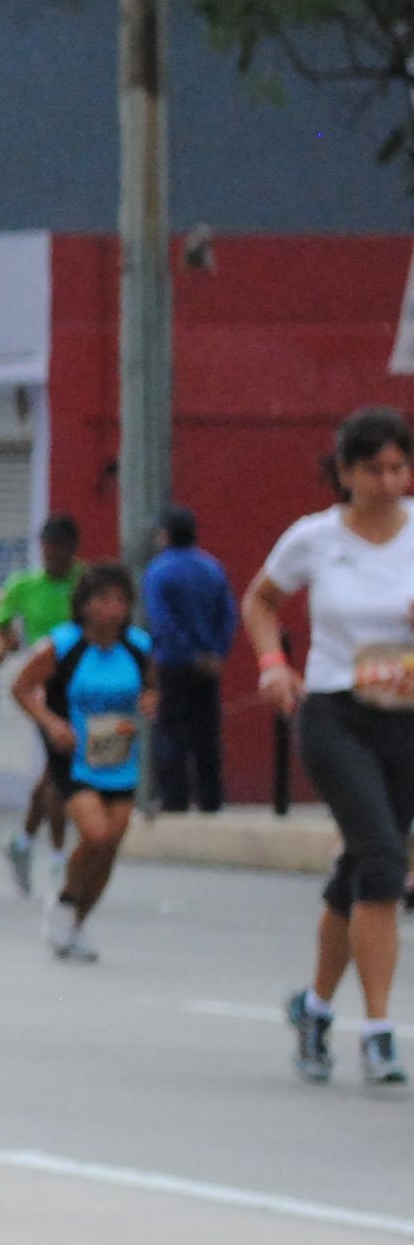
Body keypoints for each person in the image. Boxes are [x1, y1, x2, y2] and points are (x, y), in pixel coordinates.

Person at [247, 406, 414, 1087]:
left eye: (400, 467)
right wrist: (272, 665)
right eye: (374, 469)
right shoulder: (314, 538)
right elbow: (260, 601)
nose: (390, 481)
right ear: (345, 472)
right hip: (336, 715)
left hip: (405, 717)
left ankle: (314, 1009)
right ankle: (378, 1031)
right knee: (383, 863)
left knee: (360, 872)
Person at [11, 561, 153, 963]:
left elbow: (152, 688)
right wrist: (51, 723)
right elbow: (22, 688)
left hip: (120, 758)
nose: (113, 609)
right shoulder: (63, 646)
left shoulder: (139, 647)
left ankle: (76, 925)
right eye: (104, 599)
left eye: (121, 600)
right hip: (74, 759)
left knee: (110, 847)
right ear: (85, 604)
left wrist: (150, 701)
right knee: (95, 835)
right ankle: (64, 900)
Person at [0, 515, 82, 894]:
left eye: (58, 550)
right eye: (46, 550)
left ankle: (24, 841)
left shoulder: (84, 583)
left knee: (54, 770)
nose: (51, 557)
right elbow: (2, 617)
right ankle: (59, 855)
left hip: (83, 685)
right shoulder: (24, 584)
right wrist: (7, 640)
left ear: (71, 550)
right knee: (59, 770)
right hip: (42, 687)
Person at [143, 504, 237, 814]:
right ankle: (211, 799)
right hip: (209, 666)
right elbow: (228, 615)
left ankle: (174, 799)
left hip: (174, 664)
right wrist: (216, 652)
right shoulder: (212, 568)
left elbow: (162, 622)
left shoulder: (158, 571)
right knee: (207, 732)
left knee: (171, 732)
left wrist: (188, 652)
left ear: (166, 535)